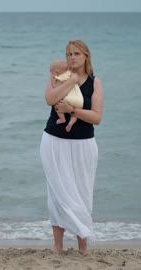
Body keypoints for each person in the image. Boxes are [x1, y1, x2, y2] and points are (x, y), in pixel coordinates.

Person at [40, 40, 104, 256]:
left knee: (82, 193)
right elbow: (50, 99)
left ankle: (83, 248)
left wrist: (71, 110)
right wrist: (72, 80)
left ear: (86, 56)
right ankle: (57, 246)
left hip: (84, 145)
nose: (72, 58)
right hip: (54, 142)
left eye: (77, 53)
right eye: (69, 54)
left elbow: (96, 118)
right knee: (57, 194)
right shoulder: (58, 76)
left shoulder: (95, 83)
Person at [49, 59, 84, 132]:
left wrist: (53, 82)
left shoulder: (58, 78)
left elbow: (56, 88)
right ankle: (71, 123)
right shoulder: (71, 74)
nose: (51, 74)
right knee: (77, 110)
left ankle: (62, 119)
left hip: (68, 99)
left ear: (57, 72)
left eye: (51, 72)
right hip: (79, 100)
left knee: (57, 105)